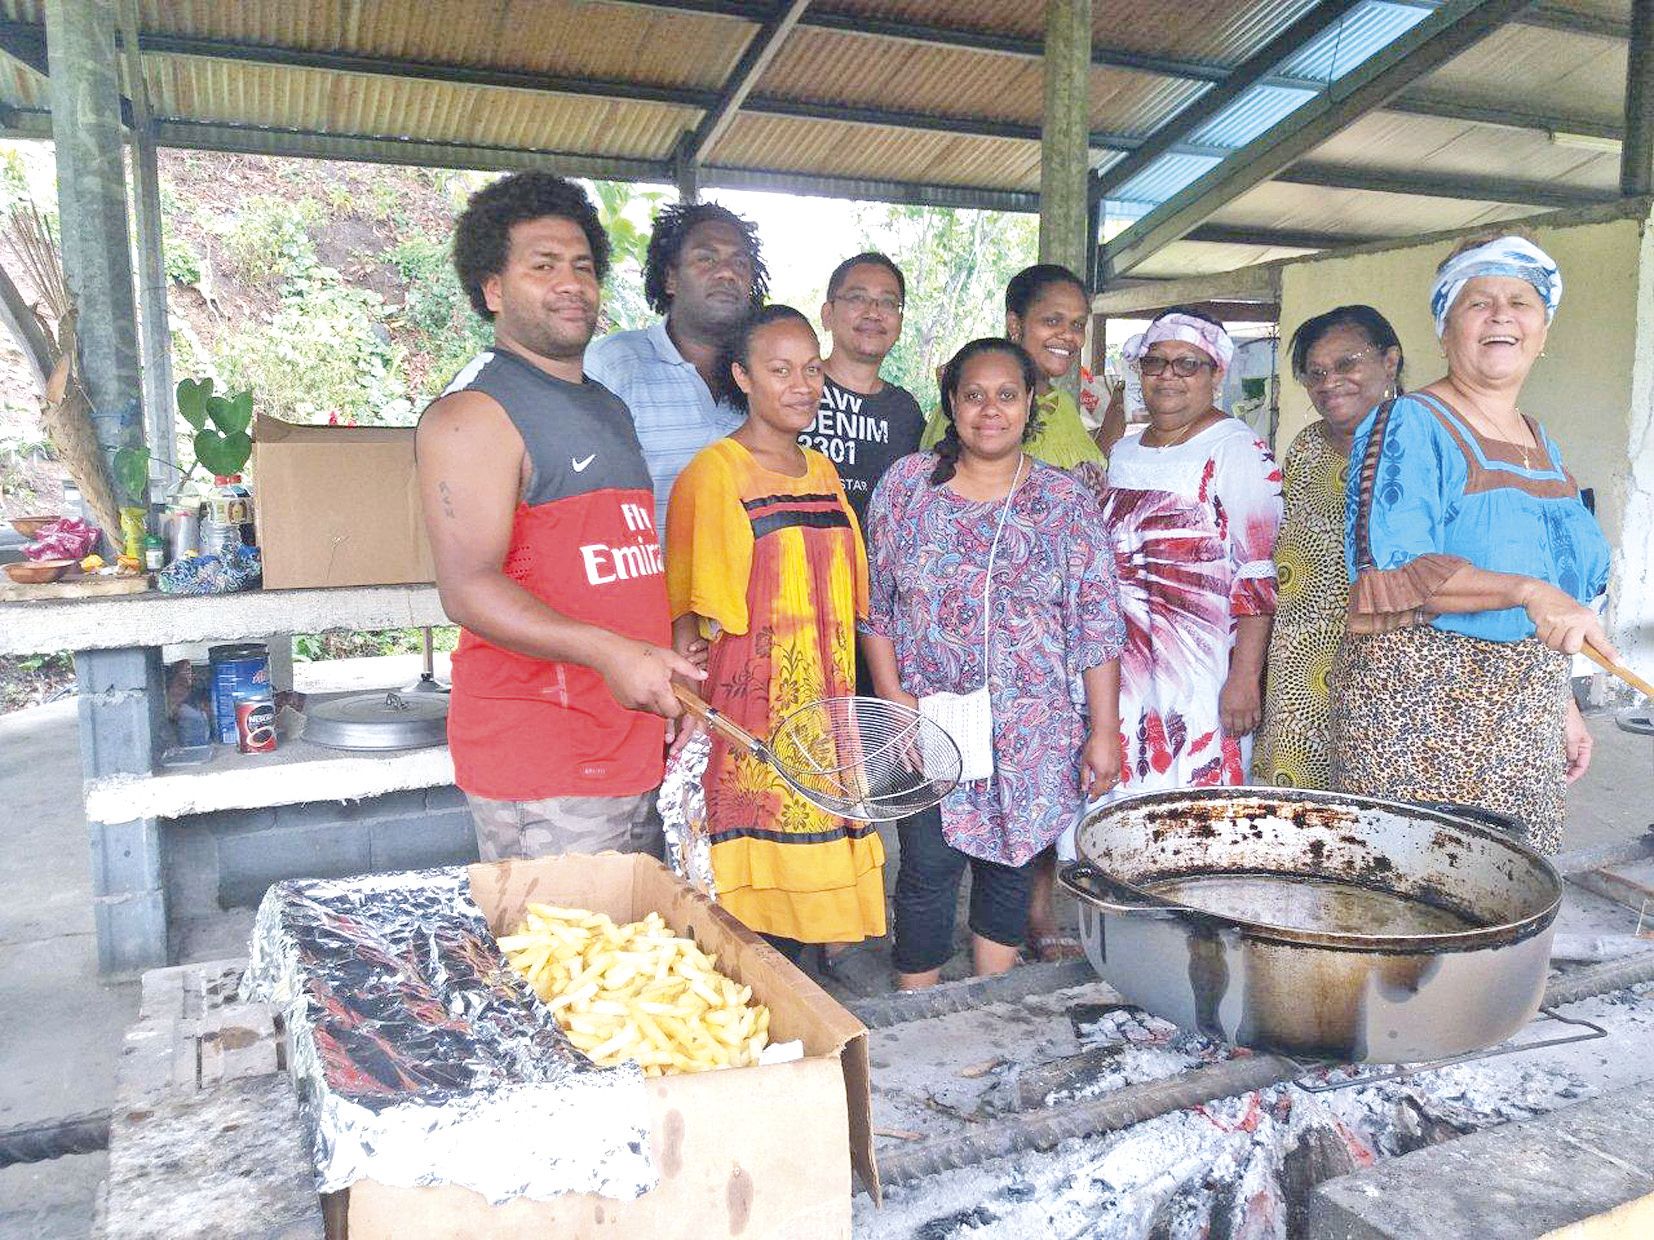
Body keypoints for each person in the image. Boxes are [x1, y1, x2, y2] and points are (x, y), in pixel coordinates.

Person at [416, 172, 701, 862]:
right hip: (545, 761)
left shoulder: (607, 407)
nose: (570, 283)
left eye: (582, 266)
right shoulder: (474, 412)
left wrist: (666, 672)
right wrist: (611, 653)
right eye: (543, 266)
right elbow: (468, 589)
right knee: (566, 937)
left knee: (635, 933)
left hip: (631, 740)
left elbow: (620, 564)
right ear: (492, 289)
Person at [1329, 232, 1611, 854]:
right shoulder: (1408, 421)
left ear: (1543, 331)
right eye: (1479, 302)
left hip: (1527, 720)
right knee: (1420, 886)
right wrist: (1527, 591)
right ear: (1445, 329)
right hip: (1422, 716)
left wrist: (1562, 703)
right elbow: (1394, 571)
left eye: (1521, 302)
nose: (1502, 314)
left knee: (1515, 885)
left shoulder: (1540, 440)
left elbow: (1554, 592)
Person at [863, 338, 1125, 989]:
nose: (990, 410)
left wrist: (1104, 731)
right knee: (927, 868)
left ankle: (991, 1008)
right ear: (951, 403)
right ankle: (916, 1013)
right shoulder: (906, 487)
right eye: (974, 395)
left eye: (1006, 395)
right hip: (929, 721)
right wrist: (894, 697)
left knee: (1010, 868)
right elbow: (875, 607)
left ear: (1030, 402)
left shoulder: (1064, 503)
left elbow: (1097, 626)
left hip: (1031, 728)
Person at [665, 305, 885, 960]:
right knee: (750, 915)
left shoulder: (821, 470)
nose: (801, 386)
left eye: (812, 370)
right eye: (780, 370)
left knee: (808, 913)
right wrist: (687, 687)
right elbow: (685, 608)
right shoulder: (716, 472)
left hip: (825, 714)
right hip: (752, 720)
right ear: (743, 376)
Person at [1076, 307, 1282, 813]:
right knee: (1117, 805)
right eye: (1155, 362)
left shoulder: (1237, 450)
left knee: (1190, 811)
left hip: (1199, 674)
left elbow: (1257, 572)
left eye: (1188, 364)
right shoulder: (1123, 452)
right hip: (1122, 667)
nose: (1168, 375)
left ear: (1216, 374)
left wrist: (1244, 678)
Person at [1253, 306, 1404, 789]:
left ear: (1390, 362)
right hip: (1298, 665)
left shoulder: (1419, 442)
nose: (1329, 383)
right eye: (1314, 373)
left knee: (1374, 802)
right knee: (1296, 804)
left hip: (1388, 664)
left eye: (1346, 364)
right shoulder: (1306, 447)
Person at [587, 200, 769, 537]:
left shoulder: (768, 378)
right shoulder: (613, 364)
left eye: (740, 262)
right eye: (706, 258)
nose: (727, 272)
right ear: (671, 278)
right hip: (639, 571)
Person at [922, 264, 1106, 469]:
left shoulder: (1062, 404)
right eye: (1053, 321)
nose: (1069, 335)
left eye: (1078, 324)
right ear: (1015, 325)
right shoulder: (974, 407)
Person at [800, 251, 925, 527]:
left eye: (888, 302)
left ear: (900, 323)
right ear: (828, 314)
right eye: (858, 298)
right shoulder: (795, 389)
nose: (873, 313)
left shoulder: (905, 412)